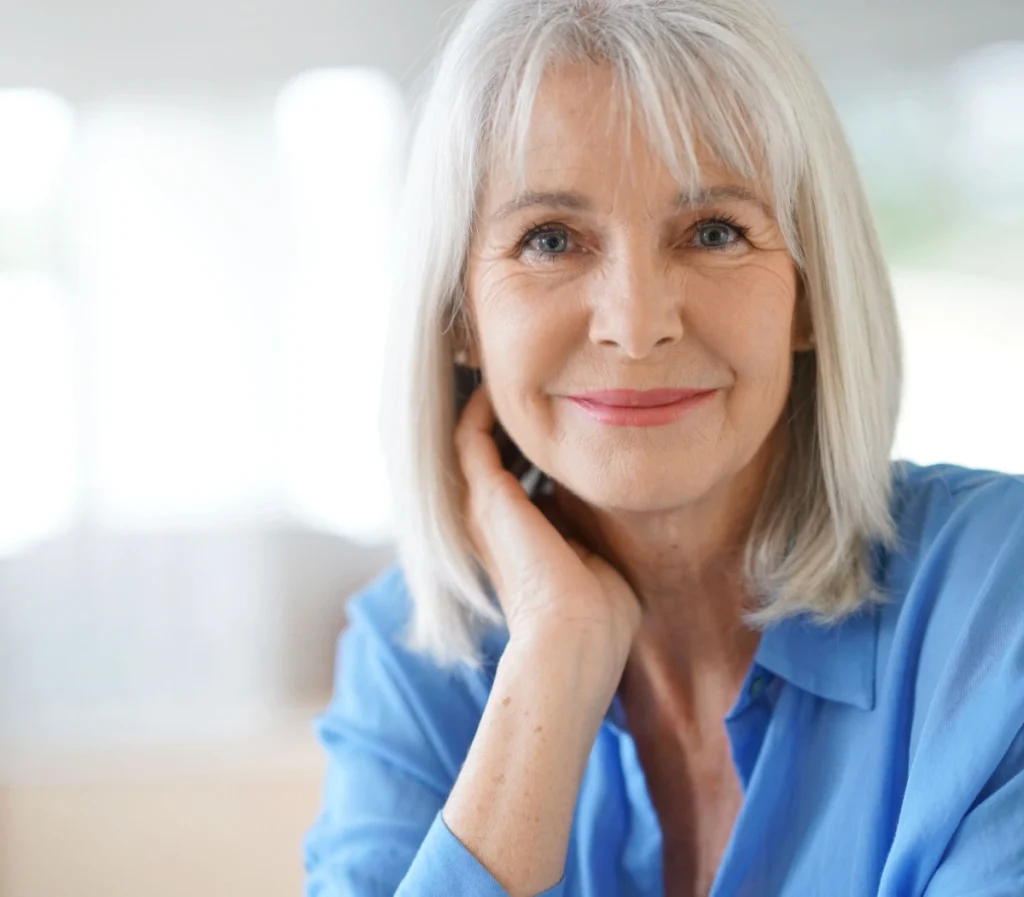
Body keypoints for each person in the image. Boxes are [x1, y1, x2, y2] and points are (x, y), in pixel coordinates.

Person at [303, 1, 1024, 894]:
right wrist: (556, 655)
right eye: (551, 240)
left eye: (714, 231)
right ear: (461, 319)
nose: (637, 325)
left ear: (807, 295)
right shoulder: (413, 659)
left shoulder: (1000, 602)